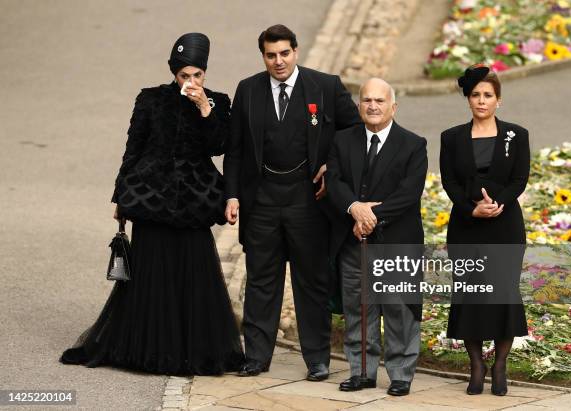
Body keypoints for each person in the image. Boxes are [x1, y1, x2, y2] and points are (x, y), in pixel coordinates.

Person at [60, 33, 244, 375]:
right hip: (151, 201)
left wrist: (204, 107)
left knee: (193, 274)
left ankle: (190, 350)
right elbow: (133, 149)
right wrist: (121, 197)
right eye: (184, 75)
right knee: (150, 274)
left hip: (194, 205)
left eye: (197, 75)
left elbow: (219, 146)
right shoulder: (150, 100)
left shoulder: (218, 102)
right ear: (173, 73)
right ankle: (146, 348)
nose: (190, 81)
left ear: (205, 74)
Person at [223, 24, 361, 380]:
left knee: (312, 281)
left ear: (296, 52)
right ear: (264, 57)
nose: (278, 61)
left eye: (284, 53)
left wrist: (333, 163)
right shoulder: (248, 90)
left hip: (308, 201)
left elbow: (355, 131)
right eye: (271, 55)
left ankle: (317, 359)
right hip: (263, 200)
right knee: (260, 281)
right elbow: (235, 150)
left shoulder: (325, 86)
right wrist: (233, 194)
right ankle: (256, 356)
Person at [326, 78, 427, 396]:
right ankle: (362, 372)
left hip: (398, 241)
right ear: (359, 105)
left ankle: (400, 374)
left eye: (379, 101)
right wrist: (354, 207)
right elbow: (335, 181)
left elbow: (408, 194)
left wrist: (370, 217)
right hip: (354, 242)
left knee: (398, 309)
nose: (372, 106)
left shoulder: (413, 144)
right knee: (359, 308)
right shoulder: (342, 141)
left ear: (393, 107)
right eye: (367, 100)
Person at [440, 64, 529, 396]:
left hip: (505, 227)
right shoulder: (451, 138)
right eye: (475, 95)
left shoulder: (516, 135)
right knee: (470, 295)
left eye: (487, 95)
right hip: (466, 227)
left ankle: (500, 365)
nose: (481, 101)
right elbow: (449, 181)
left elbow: (520, 178)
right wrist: (471, 208)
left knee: (504, 293)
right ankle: (476, 365)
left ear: (498, 100)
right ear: (468, 99)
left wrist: (498, 203)